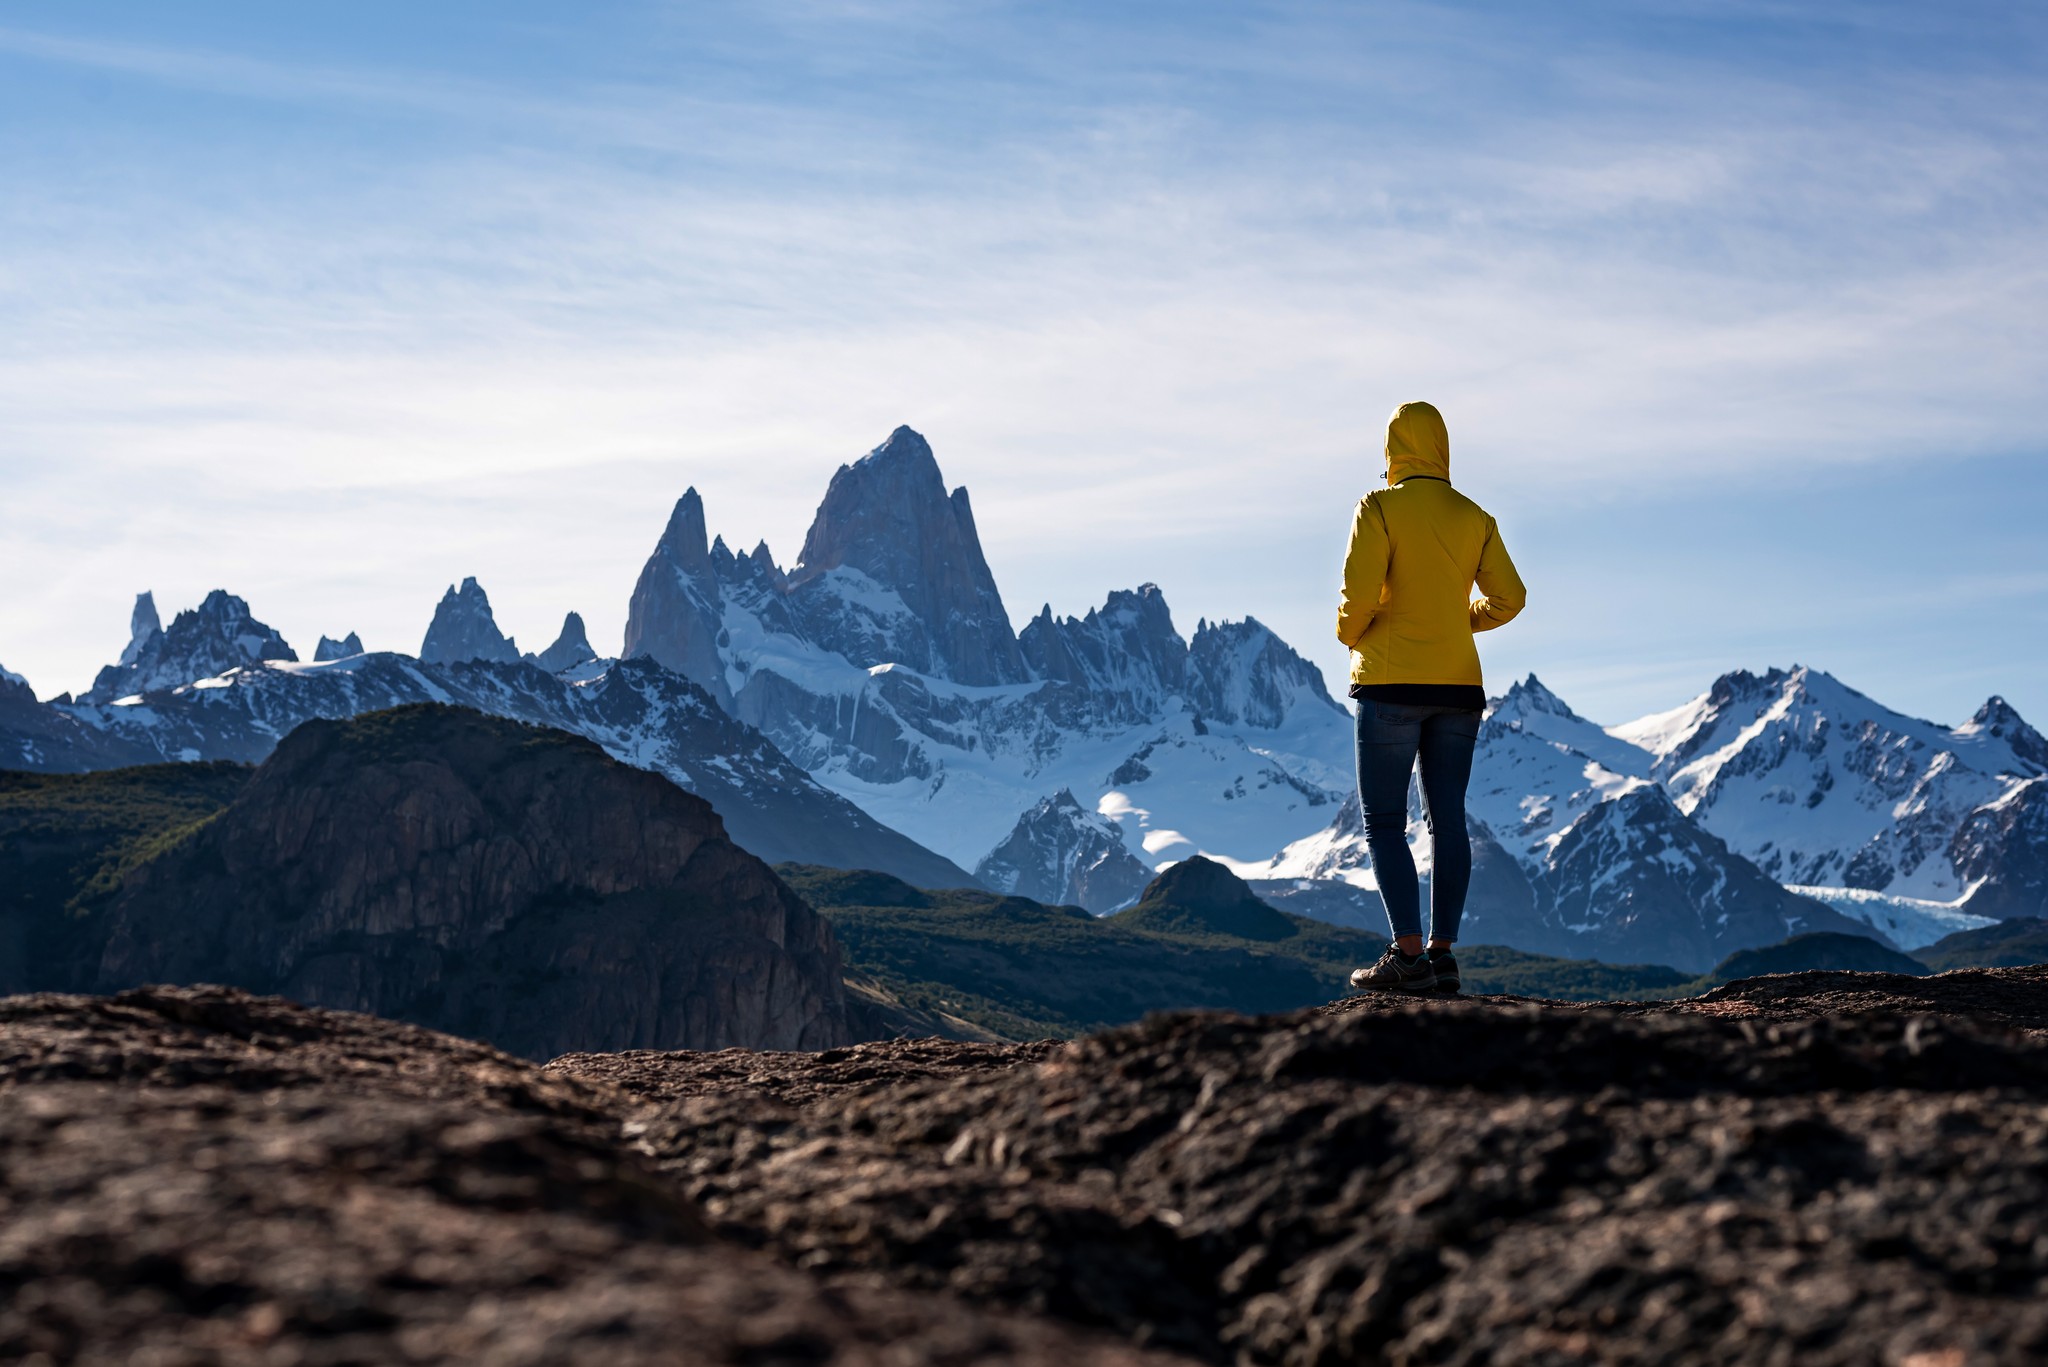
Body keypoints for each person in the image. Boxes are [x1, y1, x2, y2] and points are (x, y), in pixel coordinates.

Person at [1337, 401, 1525, 995]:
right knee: (1449, 821)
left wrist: (1350, 631)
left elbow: (1359, 592)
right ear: (1443, 449)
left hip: (1390, 681)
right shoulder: (1477, 517)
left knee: (1385, 822)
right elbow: (1509, 599)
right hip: (1459, 688)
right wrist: (1456, 621)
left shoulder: (1379, 506)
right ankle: (1443, 956)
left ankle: (1408, 958)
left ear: (1393, 448)